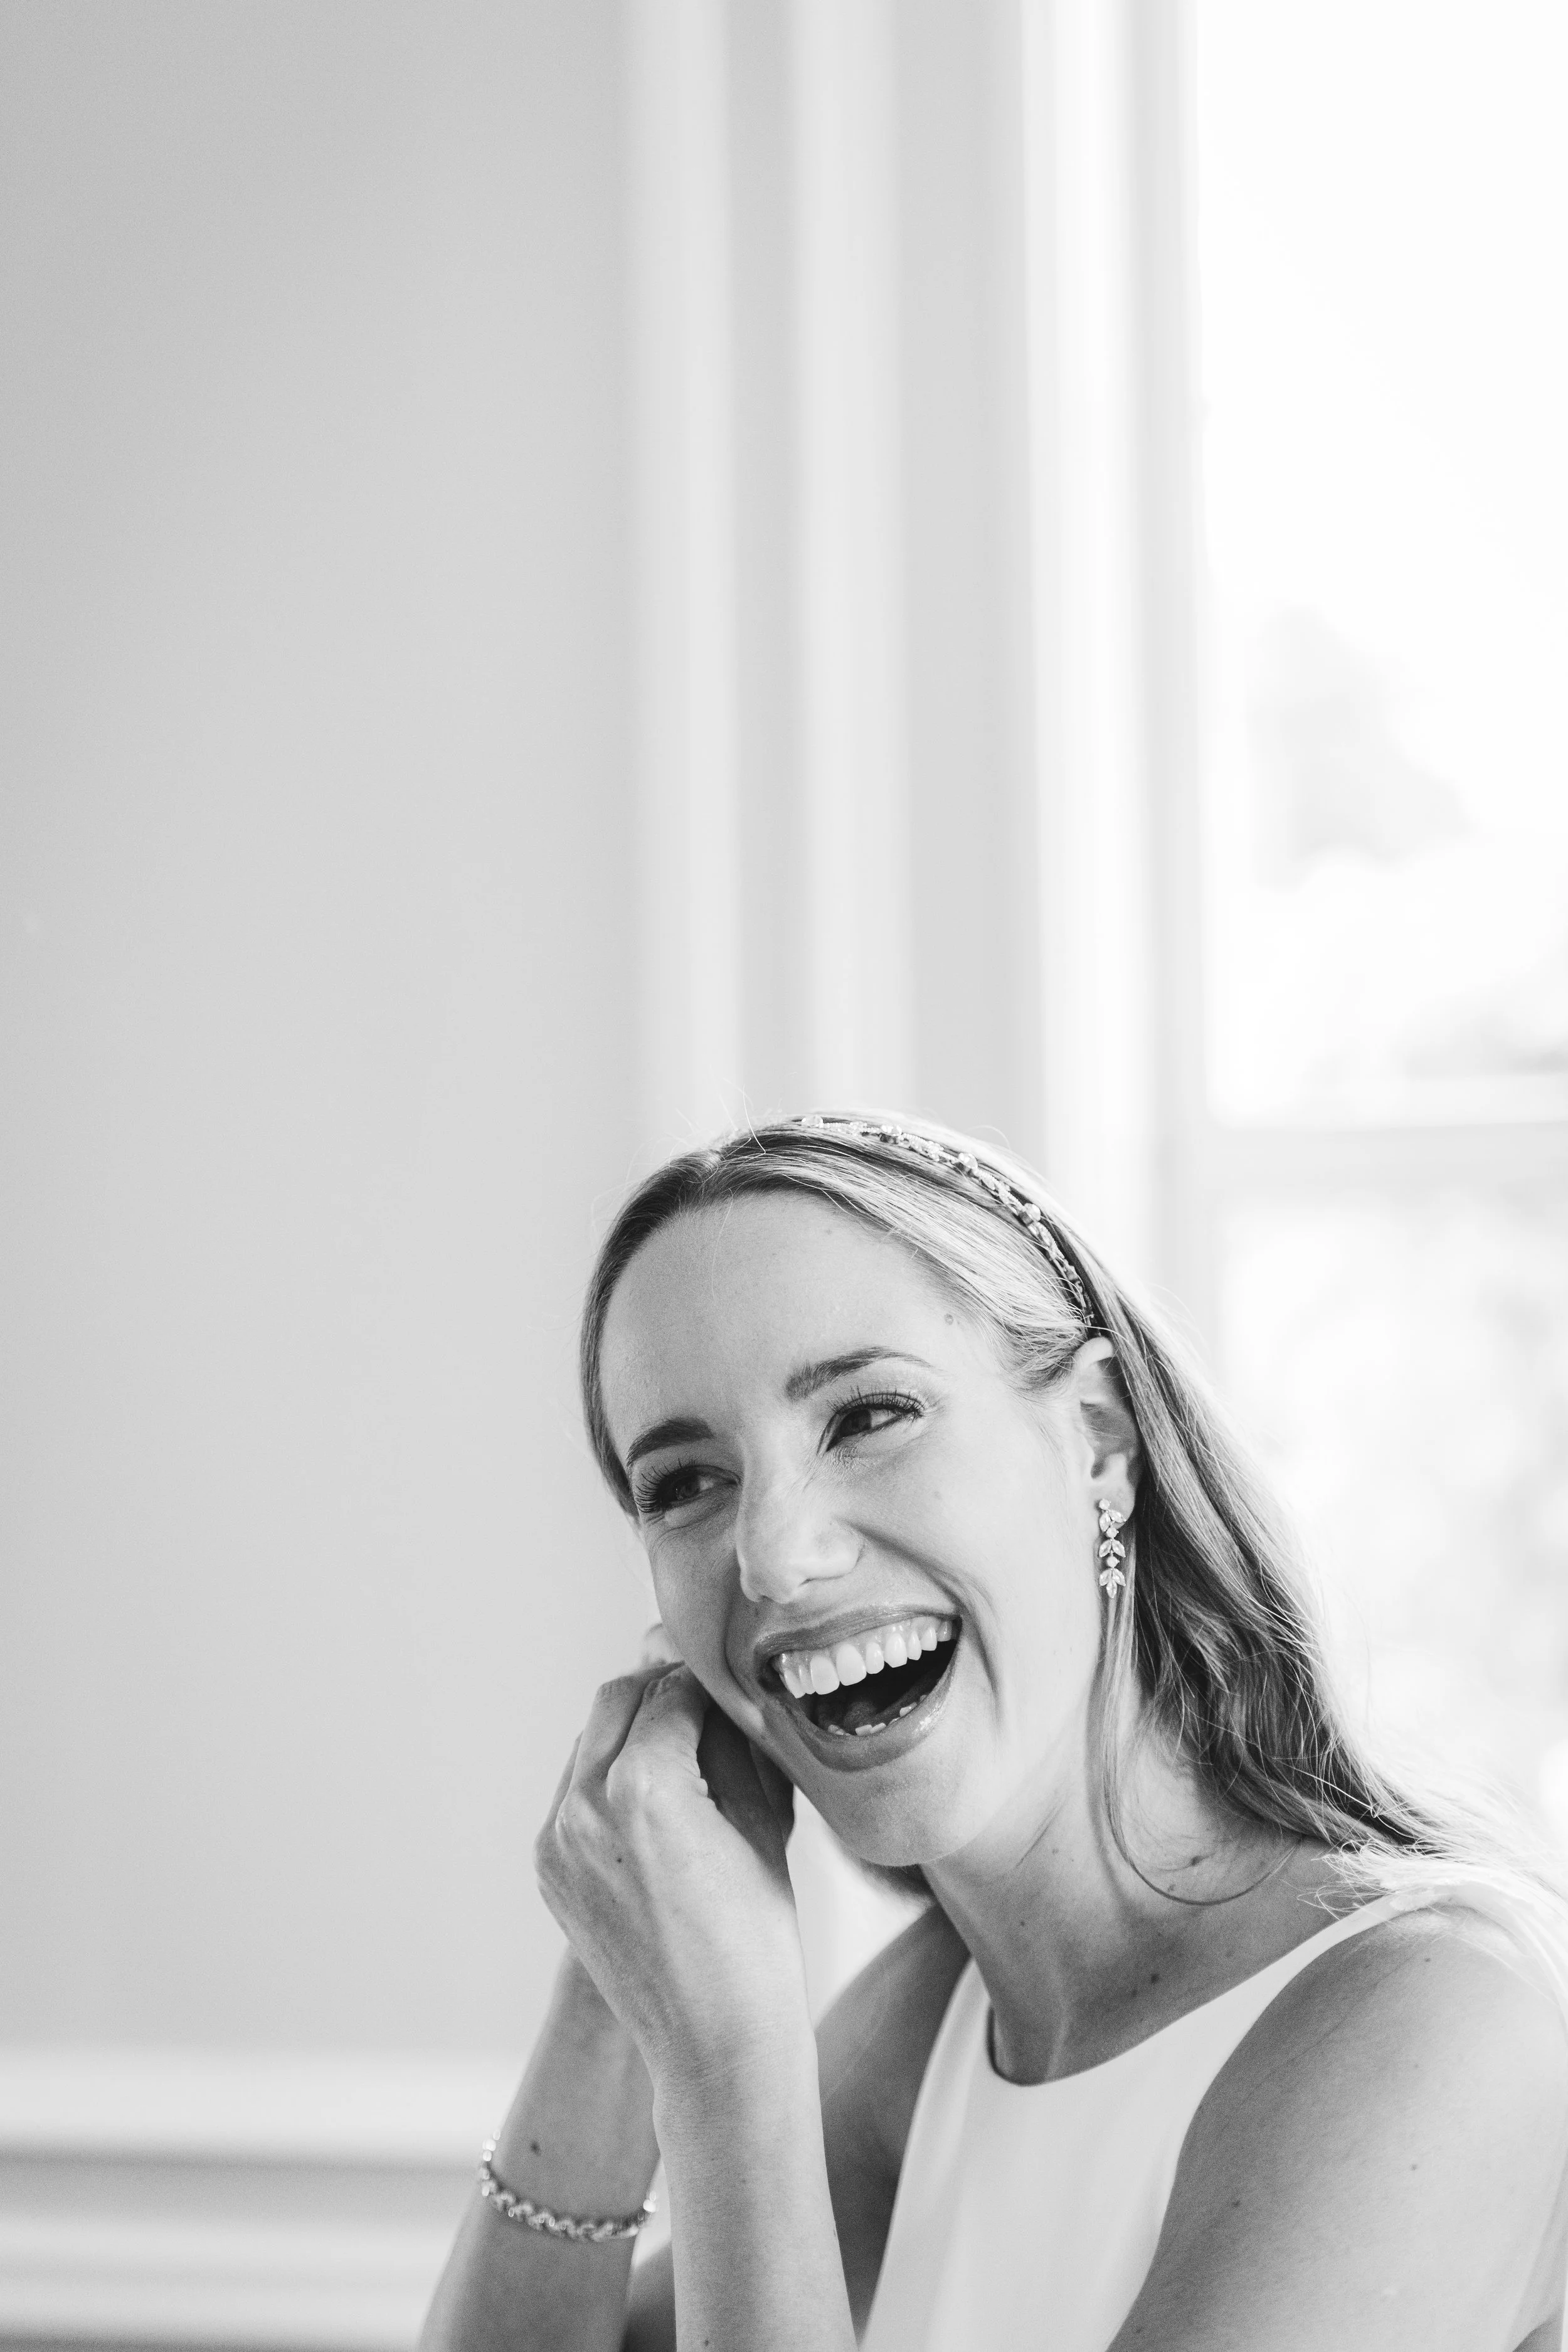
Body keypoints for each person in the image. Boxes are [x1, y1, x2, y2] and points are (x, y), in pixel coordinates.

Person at [420, 1112, 1568, 2352]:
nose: (775, 1559)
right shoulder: (936, 2025)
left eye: (865, 1417)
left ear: (1097, 1443)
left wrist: (724, 2062)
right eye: (685, 1484)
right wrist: (612, 1983)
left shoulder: (1443, 2019)